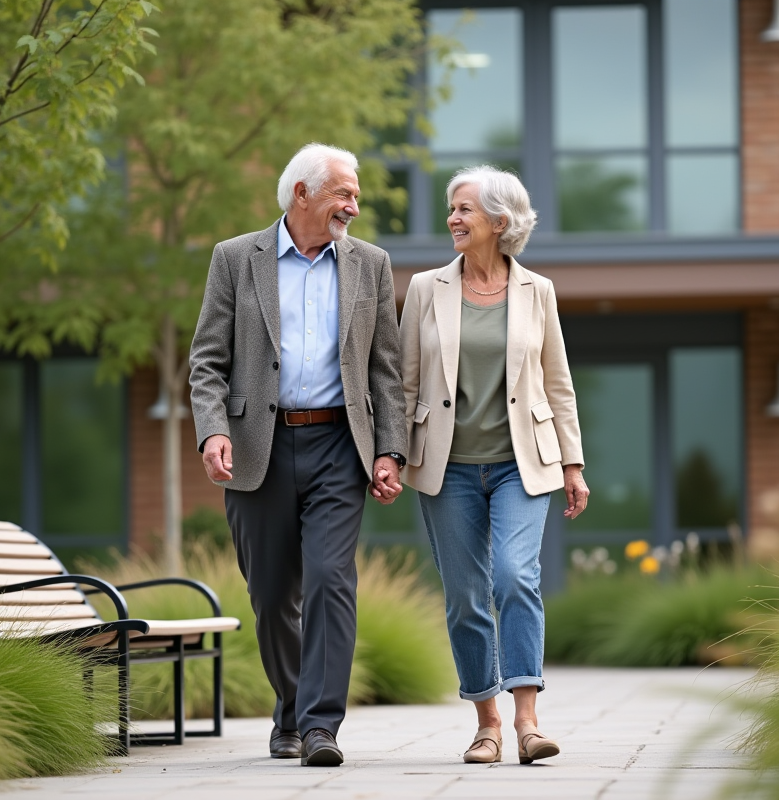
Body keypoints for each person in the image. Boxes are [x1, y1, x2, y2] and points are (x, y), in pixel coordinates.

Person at [189, 143, 407, 767]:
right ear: (301, 194)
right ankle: (290, 708)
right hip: (259, 445)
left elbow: (385, 369)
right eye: (344, 193)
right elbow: (207, 360)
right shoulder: (236, 258)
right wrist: (213, 432)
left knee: (332, 581)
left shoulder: (370, 264)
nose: (354, 206)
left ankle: (319, 727)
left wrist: (389, 449)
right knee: (272, 593)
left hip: (341, 443)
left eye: (356, 194)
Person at [399, 166, 588, 765]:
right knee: (465, 597)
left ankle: (528, 720)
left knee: (514, 575)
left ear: (500, 222)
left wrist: (574, 464)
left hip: (521, 464)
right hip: (447, 467)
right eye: (451, 209)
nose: (452, 219)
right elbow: (405, 384)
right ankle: (487, 724)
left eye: (463, 210)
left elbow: (557, 384)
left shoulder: (538, 291)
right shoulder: (427, 288)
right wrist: (391, 453)